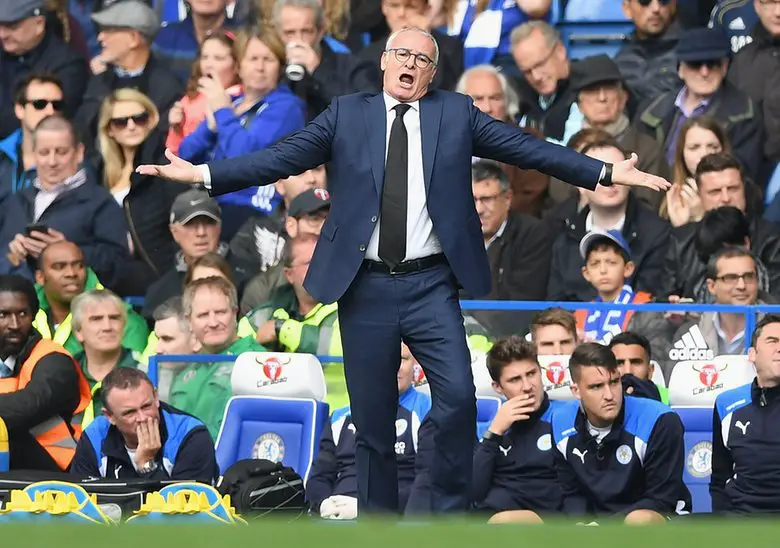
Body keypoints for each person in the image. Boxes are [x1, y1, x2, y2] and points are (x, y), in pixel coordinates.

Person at [136, 26, 670, 514]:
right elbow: (281, 156)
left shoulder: (455, 113)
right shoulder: (347, 113)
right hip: (364, 285)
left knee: (459, 399)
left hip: (430, 283)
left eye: (422, 58)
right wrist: (202, 173)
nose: (410, 63)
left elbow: (528, 150)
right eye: (402, 54)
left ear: (432, 73)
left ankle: (450, 518)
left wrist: (604, 171)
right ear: (385, 61)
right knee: (372, 420)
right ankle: (379, 528)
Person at [551, 342, 691, 524]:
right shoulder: (561, 421)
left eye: (614, 382)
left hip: (658, 518)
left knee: (638, 521)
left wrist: (602, 528)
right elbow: (570, 492)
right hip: (596, 525)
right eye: (596, 386)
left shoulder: (660, 420)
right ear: (576, 391)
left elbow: (661, 499)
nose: (609, 395)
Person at [0, 115, 131, 287]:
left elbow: (118, 265)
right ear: (34, 155)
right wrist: (12, 256)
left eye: (61, 152)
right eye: (44, 152)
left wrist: (68, 251)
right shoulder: (16, 201)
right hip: (17, 300)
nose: (52, 162)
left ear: (79, 153)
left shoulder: (100, 202)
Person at [306, 342, 432, 519]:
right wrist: (322, 504)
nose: (394, 366)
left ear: (414, 366)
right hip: (335, 517)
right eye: (385, 359)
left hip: (392, 520)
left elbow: (431, 483)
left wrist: (370, 509)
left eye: (402, 359)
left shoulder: (427, 411)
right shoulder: (339, 418)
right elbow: (319, 477)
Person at [547, 139, 670, 302]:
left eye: (618, 172)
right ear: (579, 185)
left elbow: (651, 302)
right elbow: (555, 304)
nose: (611, 182)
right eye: (601, 174)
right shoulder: (563, 235)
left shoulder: (656, 232)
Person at [634, 27, 764, 182]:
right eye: (695, 64)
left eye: (712, 64)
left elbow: (744, 174)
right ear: (680, 69)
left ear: (724, 67)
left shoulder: (745, 114)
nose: (704, 72)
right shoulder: (650, 111)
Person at [94, 88, 186, 295]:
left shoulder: (165, 165)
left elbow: (180, 220)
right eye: (121, 122)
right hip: (116, 266)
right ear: (109, 130)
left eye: (139, 118)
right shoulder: (99, 172)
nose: (131, 126)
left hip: (157, 270)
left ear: (151, 120)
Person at [0, 274, 90, 471]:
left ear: (34, 315)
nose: (14, 324)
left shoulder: (54, 360)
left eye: (22, 314)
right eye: (3, 315)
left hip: (60, 469)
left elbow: (30, 405)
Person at [244, 236, 346, 408]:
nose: (321, 268)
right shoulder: (266, 312)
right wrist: (260, 347)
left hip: (337, 417)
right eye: (310, 263)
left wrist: (282, 329)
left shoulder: (350, 308)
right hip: (281, 414)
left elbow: (340, 347)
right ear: (289, 274)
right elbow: (236, 352)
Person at [472, 336, 563, 524]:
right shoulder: (488, 430)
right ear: (498, 387)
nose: (527, 387)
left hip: (545, 522)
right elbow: (474, 492)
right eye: (515, 380)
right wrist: (494, 433)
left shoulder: (566, 417)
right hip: (491, 518)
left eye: (531, 374)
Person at [70, 367, 218, 482]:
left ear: (156, 397)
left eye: (146, 406)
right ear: (110, 416)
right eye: (129, 413)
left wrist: (146, 465)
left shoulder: (190, 435)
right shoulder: (95, 436)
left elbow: (187, 506)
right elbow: (80, 498)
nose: (142, 418)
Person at [169, 276, 266, 440]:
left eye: (221, 312)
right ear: (189, 321)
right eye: (203, 315)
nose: (213, 323)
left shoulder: (257, 361)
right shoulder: (187, 367)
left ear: (235, 313)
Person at [466, 159, 551, 337]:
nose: (478, 209)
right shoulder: (454, 237)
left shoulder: (533, 234)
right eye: (471, 200)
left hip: (513, 337)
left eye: (486, 199)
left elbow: (523, 302)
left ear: (507, 198)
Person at [711, 313, 780, 515]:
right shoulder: (727, 404)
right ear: (752, 354)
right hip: (740, 517)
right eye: (772, 341)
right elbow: (719, 476)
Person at [33, 241, 149, 356]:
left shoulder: (123, 320)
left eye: (79, 265)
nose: (71, 273)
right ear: (40, 277)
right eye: (60, 267)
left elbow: (131, 366)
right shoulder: (26, 312)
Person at [0, 0, 88, 140]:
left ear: (39, 24)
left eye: (12, 26)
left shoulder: (67, 64)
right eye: (0, 25)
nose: (3, 34)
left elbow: (49, 119)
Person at [71, 289, 143, 428]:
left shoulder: (144, 371)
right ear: (78, 332)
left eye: (114, 318)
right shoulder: (64, 373)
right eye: (96, 319)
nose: (107, 327)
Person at [574, 229, 652, 345]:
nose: (603, 270)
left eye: (611, 262)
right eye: (595, 264)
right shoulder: (581, 313)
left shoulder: (644, 306)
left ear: (628, 268)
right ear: (586, 273)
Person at [0, 73, 64, 212]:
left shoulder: (73, 164)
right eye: (39, 104)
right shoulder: (2, 154)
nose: (50, 111)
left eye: (57, 105)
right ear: (19, 110)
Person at [660, 115, 729, 223]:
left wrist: (701, 217)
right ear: (682, 154)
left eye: (713, 147)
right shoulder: (670, 198)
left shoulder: (740, 194)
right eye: (694, 147)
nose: (704, 154)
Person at [614, 0, 681, 109]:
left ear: (673, 5)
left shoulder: (691, 56)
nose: (656, 8)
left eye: (663, 1)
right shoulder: (619, 61)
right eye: (645, 1)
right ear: (627, 9)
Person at [608, 331, 669, 404]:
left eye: (636, 362)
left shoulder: (673, 400)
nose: (628, 371)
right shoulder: (597, 401)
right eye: (619, 363)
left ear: (650, 370)